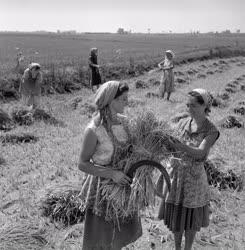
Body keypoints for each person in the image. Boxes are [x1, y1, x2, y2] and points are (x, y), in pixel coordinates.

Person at [78, 81, 142, 250]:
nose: (127, 102)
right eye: (123, 99)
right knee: (104, 239)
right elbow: (82, 164)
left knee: (119, 235)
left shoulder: (125, 123)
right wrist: (112, 174)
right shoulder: (94, 129)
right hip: (103, 190)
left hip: (124, 185)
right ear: (110, 100)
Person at [158, 88, 220, 250]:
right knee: (177, 216)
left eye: (193, 106)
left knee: (190, 218)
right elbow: (173, 147)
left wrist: (181, 146)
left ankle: (188, 247)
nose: (189, 109)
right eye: (187, 105)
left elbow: (200, 151)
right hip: (177, 175)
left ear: (204, 106)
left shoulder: (211, 130)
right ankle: (178, 247)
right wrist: (165, 142)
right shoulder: (182, 122)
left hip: (194, 179)